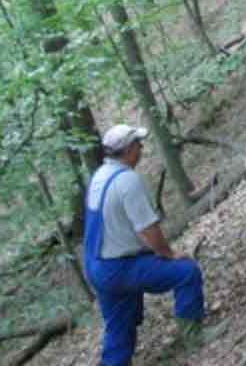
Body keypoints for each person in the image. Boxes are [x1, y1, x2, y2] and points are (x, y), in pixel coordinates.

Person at [83, 124, 209, 366]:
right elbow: (147, 229)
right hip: (120, 267)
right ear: (129, 149)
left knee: (119, 327)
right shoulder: (127, 181)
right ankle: (193, 337)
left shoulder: (99, 176)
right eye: (138, 144)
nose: (142, 148)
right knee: (186, 272)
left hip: (97, 267)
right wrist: (169, 254)